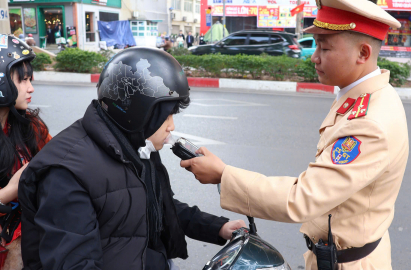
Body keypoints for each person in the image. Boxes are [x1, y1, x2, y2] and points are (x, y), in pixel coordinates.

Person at [180, 0, 408, 269]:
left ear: (363, 53)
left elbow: (303, 198)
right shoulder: (366, 96)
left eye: (325, 47)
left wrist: (223, 175)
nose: (315, 56)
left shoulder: (368, 121)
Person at [18, 47, 245, 270]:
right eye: (166, 116)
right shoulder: (67, 173)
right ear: (137, 112)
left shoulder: (134, 145)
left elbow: (156, 206)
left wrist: (218, 227)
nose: (171, 127)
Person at [0, 35, 51, 270]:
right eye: (23, 80)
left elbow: (55, 158)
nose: (31, 88)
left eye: (30, 79)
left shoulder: (31, 126)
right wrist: (10, 190)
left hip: (33, 242)